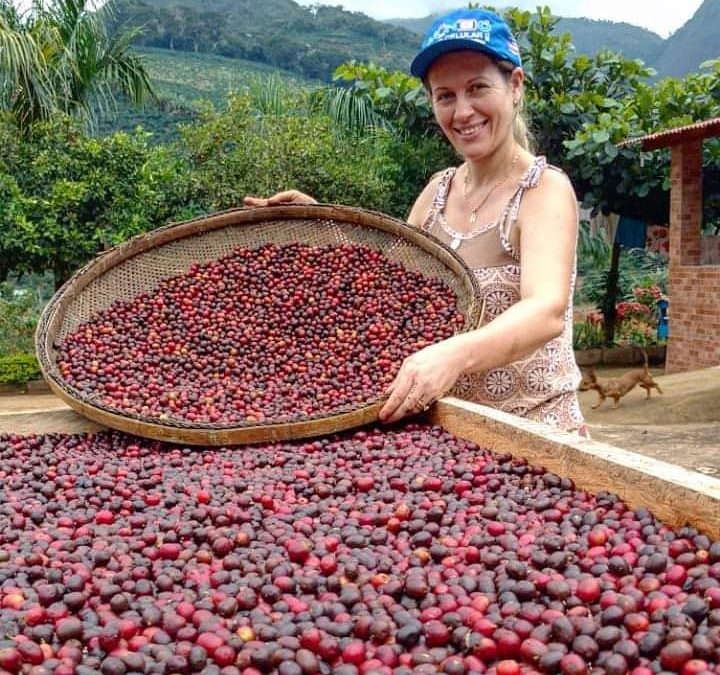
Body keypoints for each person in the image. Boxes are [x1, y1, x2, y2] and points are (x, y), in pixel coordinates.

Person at [244, 8, 586, 434]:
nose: (463, 112)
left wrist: (453, 355)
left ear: (514, 86)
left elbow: (545, 310)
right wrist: (320, 222)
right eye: (445, 96)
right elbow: (390, 288)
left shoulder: (543, 190)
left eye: (478, 88)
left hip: (537, 436)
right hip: (451, 437)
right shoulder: (437, 192)